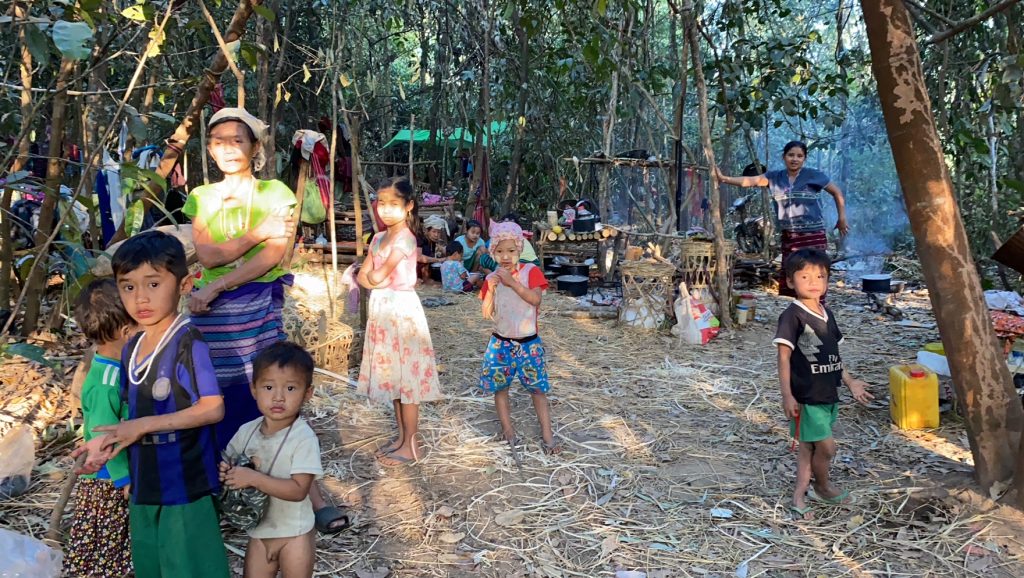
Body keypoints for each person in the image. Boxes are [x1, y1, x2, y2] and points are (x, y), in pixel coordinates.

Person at [182, 108, 348, 532]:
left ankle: (310, 493)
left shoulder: (276, 193)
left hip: (252, 306)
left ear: (255, 147)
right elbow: (207, 254)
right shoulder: (203, 196)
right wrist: (257, 234)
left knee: (270, 390)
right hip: (210, 315)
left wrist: (217, 286)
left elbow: (277, 255)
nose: (227, 148)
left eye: (237, 139)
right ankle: (225, 491)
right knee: (214, 395)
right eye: (218, 140)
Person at [85, 230, 230, 577]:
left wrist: (143, 427)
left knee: (189, 565)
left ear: (184, 284)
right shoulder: (132, 348)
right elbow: (131, 413)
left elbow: (212, 407)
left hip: (183, 483)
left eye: (153, 283)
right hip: (144, 481)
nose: (140, 298)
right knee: (153, 564)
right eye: (128, 286)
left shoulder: (187, 341)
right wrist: (105, 443)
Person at [772, 248, 873, 519]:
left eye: (820, 276)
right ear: (791, 282)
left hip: (828, 394)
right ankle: (823, 486)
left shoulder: (826, 313)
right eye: (805, 276)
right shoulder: (792, 316)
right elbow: (783, 358)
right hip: (806, 397)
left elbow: (834, 356)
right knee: (827, 448)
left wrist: (850, 382)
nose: (814, 282)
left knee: (808, 448)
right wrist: (787, 396)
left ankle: (799, 494)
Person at [357, 177, 443, 466]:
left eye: (394, 204)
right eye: (382, 203)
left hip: (401, 313)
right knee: (395, 380)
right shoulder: (378, 238)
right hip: (382, 311)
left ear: (408, 207)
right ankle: (402, 438)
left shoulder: (406, 238)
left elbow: (375, 276)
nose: (386, 210)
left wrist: (372, 277)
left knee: (408, 385)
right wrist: (371, 277)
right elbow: (363, 278)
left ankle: (412, 445)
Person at [220, 342, 324, 578]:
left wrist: (253, 478)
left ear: (307, 393)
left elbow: (299, 490)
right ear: (254, 389)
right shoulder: (246, 431)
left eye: (290, 389)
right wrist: (226, 471)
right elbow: (230, 461)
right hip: (259, 533)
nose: (278, 397)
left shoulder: (303, 437)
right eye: (268, 387)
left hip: (294, 535)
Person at [65, 279, 137, 578]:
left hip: (113, 477)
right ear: (126, 331)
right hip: (109, 481)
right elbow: (106, 437)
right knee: (106, 551)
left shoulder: (109, 367)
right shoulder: (107, 382)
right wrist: (125, 480)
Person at [715, 141, 849, 298]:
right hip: (790, 237)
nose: (795, 159)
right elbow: (750, 181)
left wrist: (842, 219)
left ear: (804, 159)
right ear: (784, 157)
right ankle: (797, 310)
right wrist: (724, 179)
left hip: (813, 236)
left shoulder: (813, 175)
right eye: (791, 155)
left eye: (799, 156)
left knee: (814, 273)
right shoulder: (775, 177)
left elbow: (837, 192)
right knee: (792, 273)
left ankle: (816, 310)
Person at [479, 220, 560, 454]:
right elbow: (487, 313)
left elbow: (536, 300)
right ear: (493, 252)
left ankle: (547, 435)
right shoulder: (491, 278)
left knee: (537, 390)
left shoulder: (530, 272)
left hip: (528, 343)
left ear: (520, 250)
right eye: (500, 251)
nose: (505, 256)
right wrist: (492, 288)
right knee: (500, 388)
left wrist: (512, 283)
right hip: (500, 342)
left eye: (511, 251)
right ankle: (508, 431)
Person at [416, 215, 448, 282]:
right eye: (434, 231)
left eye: (438, 232)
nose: (436, 235)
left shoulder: (433, 242)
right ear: (427, 231)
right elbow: (419, 257)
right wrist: (438, 260)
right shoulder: (421, 239)